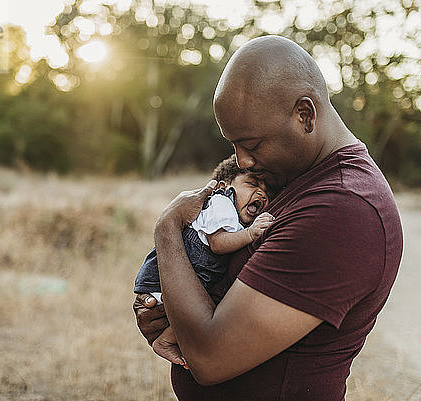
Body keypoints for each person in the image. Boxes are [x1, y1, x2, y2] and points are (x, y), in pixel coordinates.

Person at [133, 35, 403, 401]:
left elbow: (211, 357)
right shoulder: (291, 177)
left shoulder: (343, 208)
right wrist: (172, 313)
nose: (242, 162)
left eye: (253, 145)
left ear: (304, 115)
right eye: (234, 146)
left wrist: (167, 229)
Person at [134, 154, 273, 367]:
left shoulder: (237, 219)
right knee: (191, 312)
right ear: (224, 186)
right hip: (164, 281)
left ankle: (166, 340)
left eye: (267, 190)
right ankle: (164, 341)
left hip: (186, 279)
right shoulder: (222, 203)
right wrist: (251, 234)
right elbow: (217, 243)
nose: (261, 192)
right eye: (252, 183)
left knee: (191, 312)